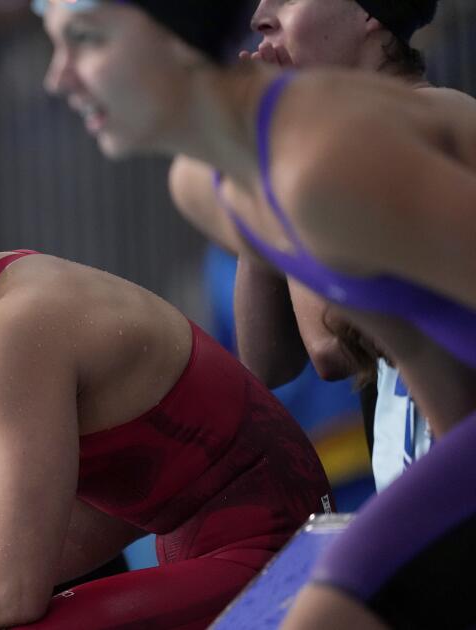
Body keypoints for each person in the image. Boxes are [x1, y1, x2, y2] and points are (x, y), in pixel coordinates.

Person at [0, 105, 331, 629]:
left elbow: (11, 595)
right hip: (235, 539)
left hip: (272, 550)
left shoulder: (13, 328)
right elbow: (122, 499)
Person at [36, 0, 476, 626]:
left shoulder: (325, 162)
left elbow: (343, 345)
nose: (59, 78)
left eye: (85, 40)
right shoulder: (204, 184)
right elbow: (412, 346)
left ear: (177, 38)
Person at [170, 0, 460, 494]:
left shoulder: (433, 120)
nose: (260, 16)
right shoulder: (339, 140)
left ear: (369, 13)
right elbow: (267, 361)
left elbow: (329, 342)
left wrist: (274, 137)